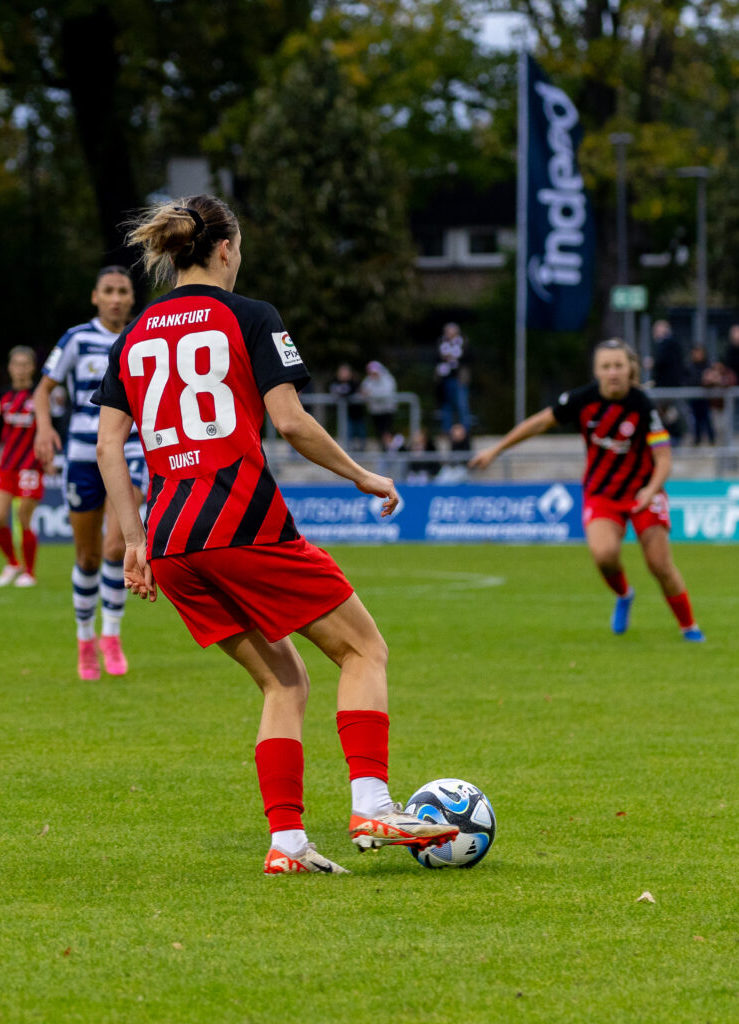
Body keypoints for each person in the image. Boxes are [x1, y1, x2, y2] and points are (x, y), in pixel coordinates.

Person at [93, 195, 458, 875]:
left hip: (172, 544)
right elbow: (288, 421)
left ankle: (287, 843)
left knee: (284, 682)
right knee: (364, 650)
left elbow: (108, 446)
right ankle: (373, 804)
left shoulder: (133, 334)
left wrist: (135, 540)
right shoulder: (252, 316)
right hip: (241, 524)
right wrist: (361, 474)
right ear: (225, 248)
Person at [469, 338, 705, 643]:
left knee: (659, 563)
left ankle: (689, 626)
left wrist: (651, 490)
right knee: (604, 556)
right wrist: (496, 449)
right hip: (602, 494)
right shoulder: (582, 400)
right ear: (597, 371)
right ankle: (624, 594)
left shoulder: (643, 406)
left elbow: (664, 459)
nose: (613, 372)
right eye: (606, 366)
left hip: (643, 493)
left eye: (618, 365)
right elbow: (539, 423)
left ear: (629, 369)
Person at [33, 266, 149, 681]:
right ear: (95, 297)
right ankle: (85, 639)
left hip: (130, 452)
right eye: (108, 291)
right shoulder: (77, 338)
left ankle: (111, 635)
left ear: (132, 299)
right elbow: (42, 390)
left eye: (123, 291)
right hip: (83, 456)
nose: (116, 298)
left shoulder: (142, 336)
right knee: (88, 555)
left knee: (117, 547)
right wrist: (44, 428)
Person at [0, 346, 44, 588]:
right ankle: (12, 563)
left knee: (23, 518)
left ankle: (30, 572)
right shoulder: (2, 396)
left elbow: (52, 427)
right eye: (16, 364)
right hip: (6, 465)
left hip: (31, 465)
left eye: (24, 364)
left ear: (32, 367)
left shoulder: (39, 395)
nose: (20, 369)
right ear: (9, 367)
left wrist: (49, 456)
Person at [434, 322, 471, 435]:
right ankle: (447, 431)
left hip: (460, 379)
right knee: (446, 406)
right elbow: (436, 358)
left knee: (462, 405)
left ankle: (465, 431)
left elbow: (469, 358)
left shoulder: (463, 342)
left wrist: (455, 357)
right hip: (445, 379)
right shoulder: (441, 343)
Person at [359, 359, 397, 445]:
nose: (374, 375)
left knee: (387, 432)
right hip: (375, 411)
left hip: (387, 410)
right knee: (379, 433)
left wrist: (370, 394)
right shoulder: (367, 380)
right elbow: (363, 392)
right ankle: (383, 449)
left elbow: (387, 393)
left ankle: (389, 449)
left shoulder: (388, 379)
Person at [328, 363, 366, 447]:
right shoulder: (335, 382)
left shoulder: (354, 382)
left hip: (358, 414)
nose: (343, 374)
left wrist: (343, 392)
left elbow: (349, 392)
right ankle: (349, 451)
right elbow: (336, 392)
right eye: (342, 372)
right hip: (346, 415)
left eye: (345, 372)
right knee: (348, 434)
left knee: (361, 434)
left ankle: (362, 450)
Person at [685, 345, 715, 446]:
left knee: (707, 418)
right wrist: (701, 381)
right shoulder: (690, 366)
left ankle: (711, 438)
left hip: (705, 397)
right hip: (694, 397)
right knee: (696, 419)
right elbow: (688, 380)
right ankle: (697, 439)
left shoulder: (707, 365)